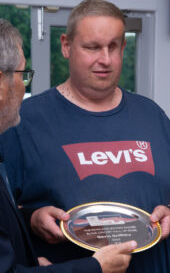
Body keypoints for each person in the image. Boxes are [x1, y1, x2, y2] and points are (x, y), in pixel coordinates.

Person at [0, 0, 170, 272]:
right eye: (92, 47)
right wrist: (33, 218)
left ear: (124, 47)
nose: (105, 59)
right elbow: (7, 218)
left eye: (114, 46)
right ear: (66, 45)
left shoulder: (151, 115)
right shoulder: (21, 120)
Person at [0, 18, 137, 273]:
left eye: (113, 47)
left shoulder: (150, 113)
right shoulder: (22, 128)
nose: (22, 87)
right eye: (23, 75)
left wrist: (32, 219)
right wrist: (96, 267)